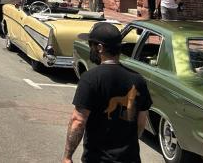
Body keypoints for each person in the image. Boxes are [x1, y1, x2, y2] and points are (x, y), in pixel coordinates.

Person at [64, 22, 151, 163]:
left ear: (99, 48)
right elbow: (141, 122)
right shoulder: (138, 80)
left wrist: (67, 157)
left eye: (91, 44)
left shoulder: (90, 79)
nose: (89, 48)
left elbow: (78, 121)